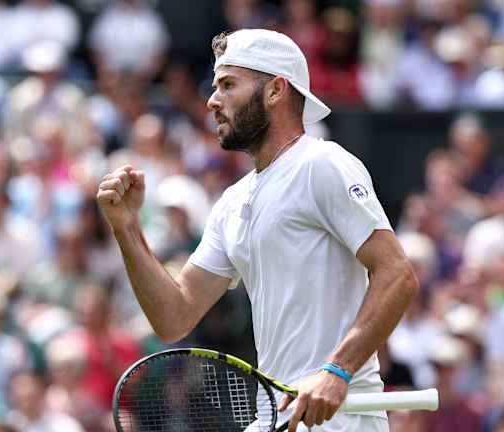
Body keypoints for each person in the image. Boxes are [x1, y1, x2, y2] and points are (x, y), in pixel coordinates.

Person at [96, 29, 418, 432]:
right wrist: (127, 230)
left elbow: (397, 274)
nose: (213, 100)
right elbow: (174, 316)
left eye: (228, 85)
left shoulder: (322, 164)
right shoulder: (232, 203)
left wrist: (337, 371)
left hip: (342, 420)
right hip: (278, 418)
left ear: (275, 91)